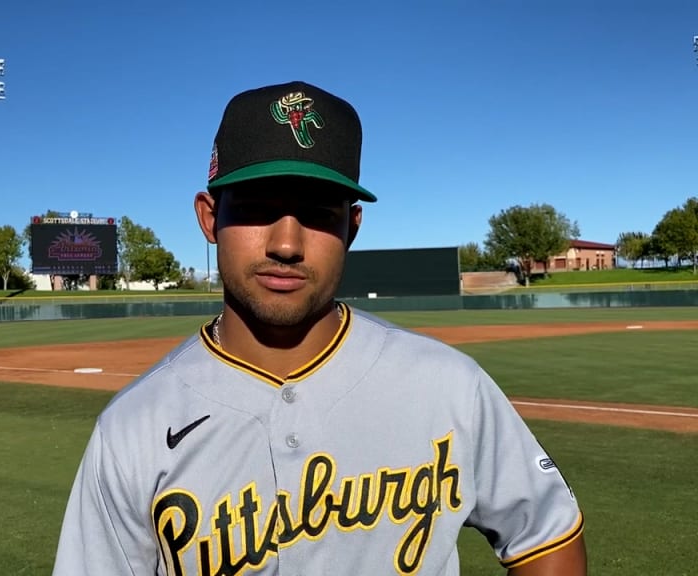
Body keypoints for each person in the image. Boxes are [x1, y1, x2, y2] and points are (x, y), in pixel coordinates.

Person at [51, 80, 587, 575]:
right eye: (259, 208)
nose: (286, 244)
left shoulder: (449, 385)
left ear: (351, 226)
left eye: (317, 213)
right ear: (210, 218)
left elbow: (548, 535)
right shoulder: (131, 429)